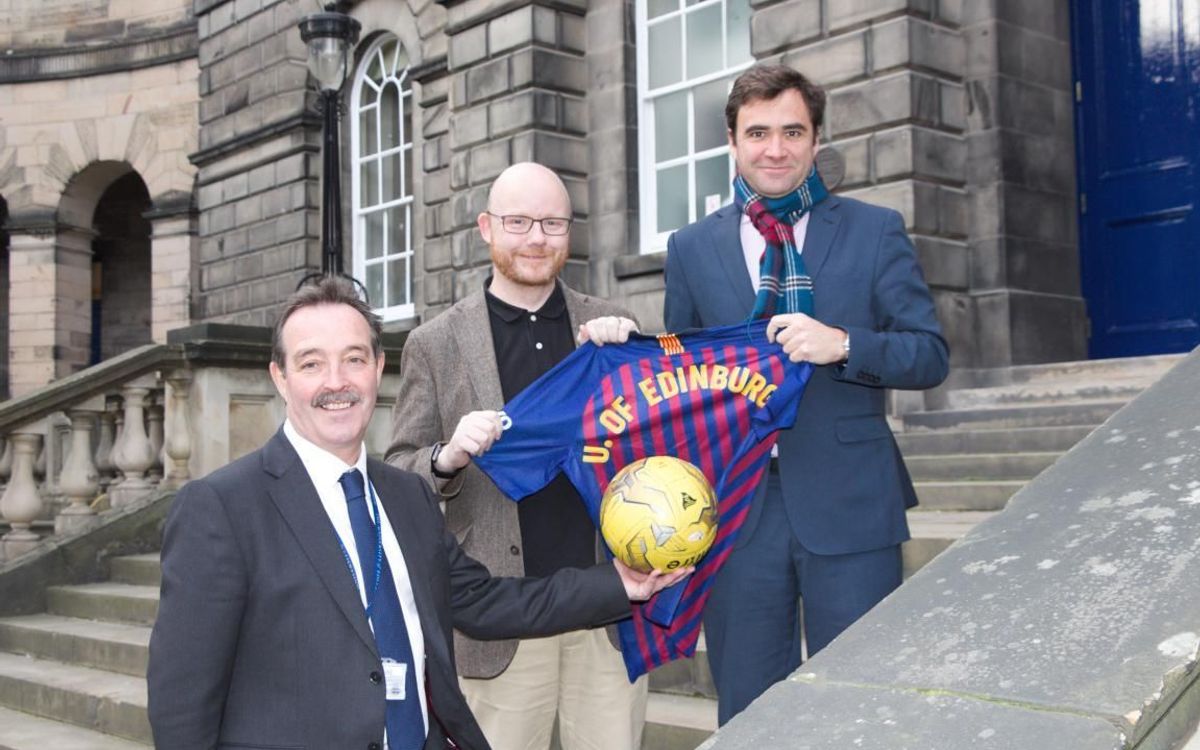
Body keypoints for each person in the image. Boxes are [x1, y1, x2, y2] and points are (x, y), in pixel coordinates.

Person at [146, 276, 684, 750]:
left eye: (354, 359)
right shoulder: (220, 508)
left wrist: (618, 583)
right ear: (280, 377)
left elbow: (485, 600)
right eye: (312, 363)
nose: (337, 381)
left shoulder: (407, 496)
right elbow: (183, 704)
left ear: (378, 369)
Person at [663, 64, 950, 724]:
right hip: (735, 515)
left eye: (792, 131)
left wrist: (846, 345)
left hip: (852, 505)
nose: (775, 148)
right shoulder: (690, 248)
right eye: (757, 132)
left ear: (816, 140)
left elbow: (929, 354)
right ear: (731, 142)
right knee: (748, 711)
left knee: (860, 705)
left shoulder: (875, 230)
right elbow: (682, 376)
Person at [386, 162, 647, 750]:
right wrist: (447, 457)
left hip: (607, 607)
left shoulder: (614, 326)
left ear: (570, 231)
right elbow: (397, 470)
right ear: (486, 227)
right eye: (519, 221)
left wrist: (632, 364)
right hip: (501, 624)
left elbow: (656, 451)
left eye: (552, 223)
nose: (536, 237)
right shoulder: (435, 343)